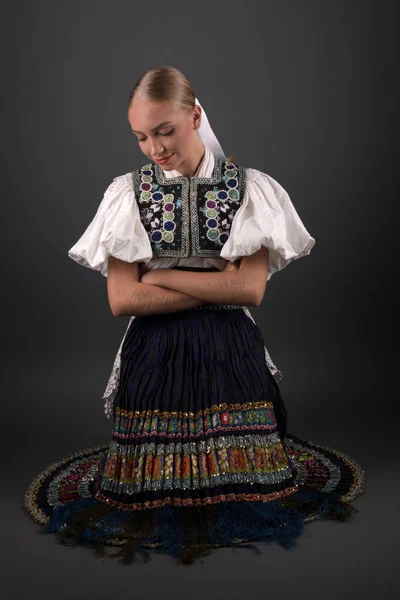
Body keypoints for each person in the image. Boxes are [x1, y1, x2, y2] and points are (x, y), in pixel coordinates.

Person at [23, 66, 366, 565]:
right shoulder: (127, 193)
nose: (155, 149)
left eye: (166, 131)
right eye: (142, 136)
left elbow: (249, 289)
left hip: (230, 345)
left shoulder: (251, 188)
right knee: (145, 479)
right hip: (153, 348)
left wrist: (160, 276)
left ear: (196, 116)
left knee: (247, 474)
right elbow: (123, 301)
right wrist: (216, 285)